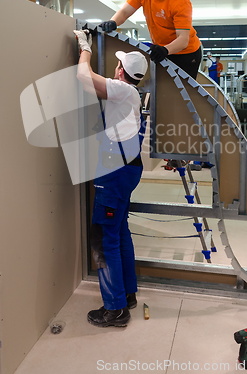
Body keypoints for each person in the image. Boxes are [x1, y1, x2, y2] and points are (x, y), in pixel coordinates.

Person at [75, 28, 148, 328]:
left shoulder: (123, 90)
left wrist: (85, 49)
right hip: (127, 170)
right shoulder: (133, 95)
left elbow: (83, 77)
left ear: (121, 71)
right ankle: (127, 294)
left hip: (114, 174)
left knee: (103, 239)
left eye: (118, 65)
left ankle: (115, 309)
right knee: (118, 232)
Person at [98, 0, 202, 79]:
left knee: (180, 97)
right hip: (163, 50)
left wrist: (165, 50)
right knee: (161, 92)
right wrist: (113, 22)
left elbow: (183, 40)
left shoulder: (179, 1)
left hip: (186, 54)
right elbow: (125, 11)